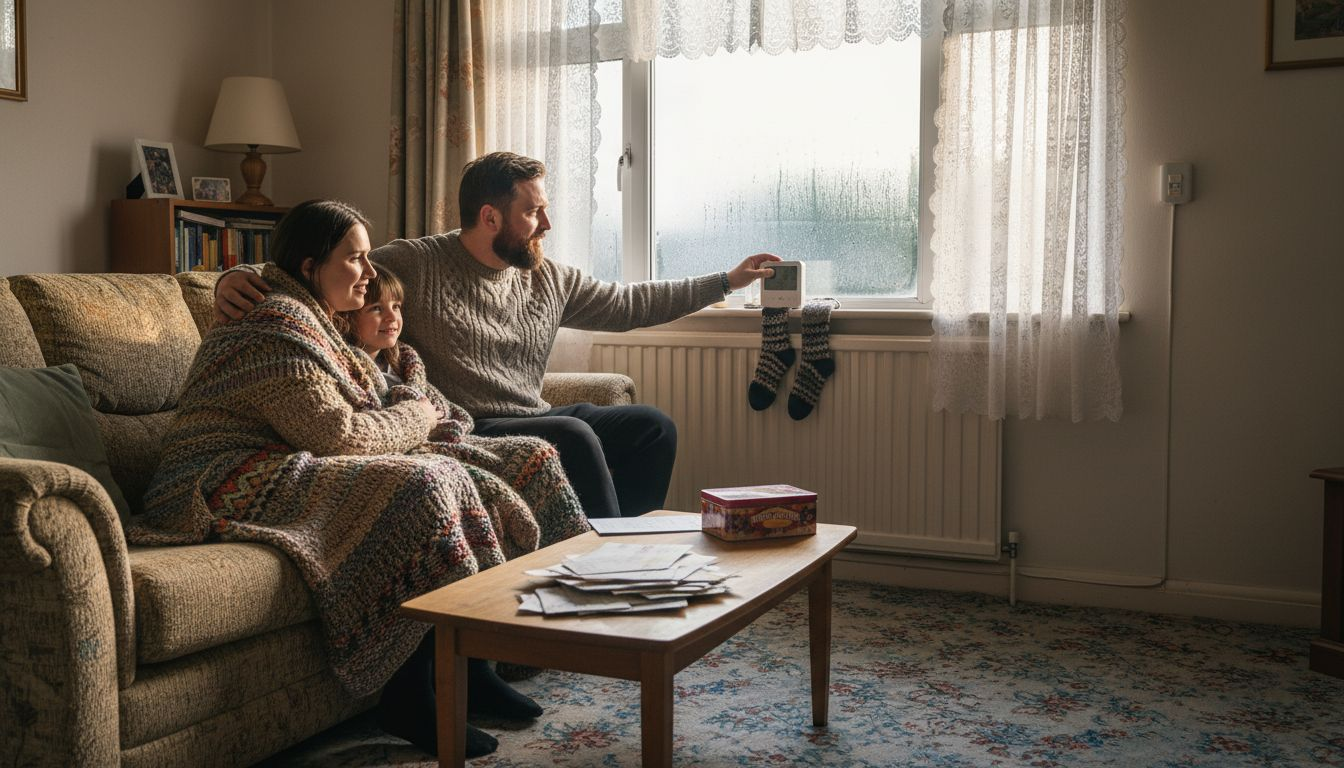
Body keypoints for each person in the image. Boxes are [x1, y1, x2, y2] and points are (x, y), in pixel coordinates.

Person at [131, 199, 592, 758]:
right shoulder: (272, 326)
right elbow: (339, 435)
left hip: (294, 455)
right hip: (222, 478)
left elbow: (372, 407)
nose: (370, 274)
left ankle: (479, 662)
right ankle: (409, 693)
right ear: (309, 267)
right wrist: (420, 415)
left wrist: (419, 407)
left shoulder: (323, 323)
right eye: (355, 259)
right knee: (421, 485)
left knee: (528, 456)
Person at [214, 152, 779, 520]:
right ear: (490, 217)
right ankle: (608, 573)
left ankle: (616, 550)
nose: (547, 225)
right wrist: (233, 277)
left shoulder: (547, 276)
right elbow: (328, 270)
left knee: (651, 428)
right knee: (573, 434)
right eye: (534, 213)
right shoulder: (418, 262)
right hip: (464, 421)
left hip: (528, 411)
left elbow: (628, 303)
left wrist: (725, 281)